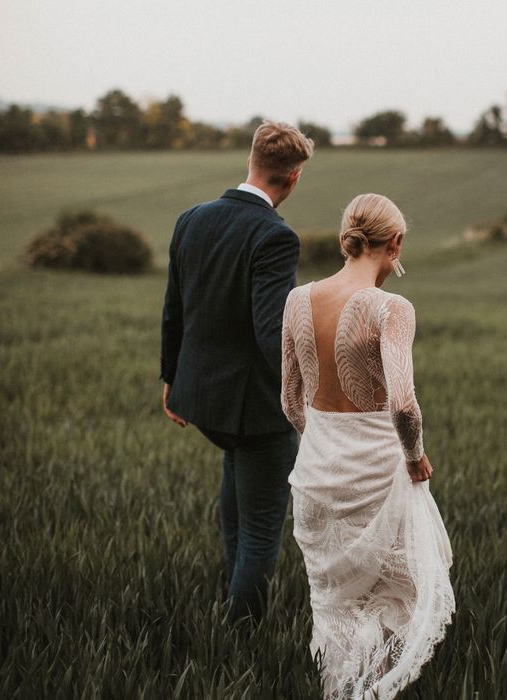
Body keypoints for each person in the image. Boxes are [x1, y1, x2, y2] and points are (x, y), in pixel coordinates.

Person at [281, 193, 454, 699]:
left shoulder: (296, 300)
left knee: (335, 608)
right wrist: (415, 457)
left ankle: (342, 691)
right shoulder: (391, 308)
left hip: (314, 477)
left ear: (346, 239)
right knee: (402, 595)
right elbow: (403, 403)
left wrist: (324, 450)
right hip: (379, 477)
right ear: (395, 244)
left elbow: (291, 401)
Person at [160, 120, 314, 623]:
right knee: (261, 530)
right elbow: (273, 333)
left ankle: (232, 603)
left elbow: (174, 309)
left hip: (204, 402)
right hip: (256, 410)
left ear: (251, 162)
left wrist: (170, 378)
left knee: (238, 497)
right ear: (292, 179)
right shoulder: (275, 236)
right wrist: (307, 396)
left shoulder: (191, 219)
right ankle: (241, 639)